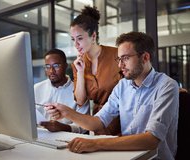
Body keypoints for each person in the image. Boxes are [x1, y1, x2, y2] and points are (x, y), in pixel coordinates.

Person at [45, 32, 179, 160]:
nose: (120, 65)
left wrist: (96, 144)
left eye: (125, 58)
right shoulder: (122, 86)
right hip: (127, 156)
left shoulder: (166, 86)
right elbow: (97, 122)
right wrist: (67, 112)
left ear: (145, 57)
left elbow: (151, 140)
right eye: (119, 59)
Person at [70, 6, 122, 135]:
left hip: (124, 120)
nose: (75, 44)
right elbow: (81, 101)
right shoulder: (77, 64)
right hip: (98, 123)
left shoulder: (117, 55)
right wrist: (80, 72)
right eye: (73, 39)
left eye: (80, 38)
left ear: (93, 36)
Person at [34, 48, 89, 133]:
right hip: (40, 136)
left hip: (68, 139)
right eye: (47, 67)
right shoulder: (36, 89)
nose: (51, 71)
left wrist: (63, 127)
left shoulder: (79, 90)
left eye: (56, 66)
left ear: (65, 66)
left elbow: (85, 125)